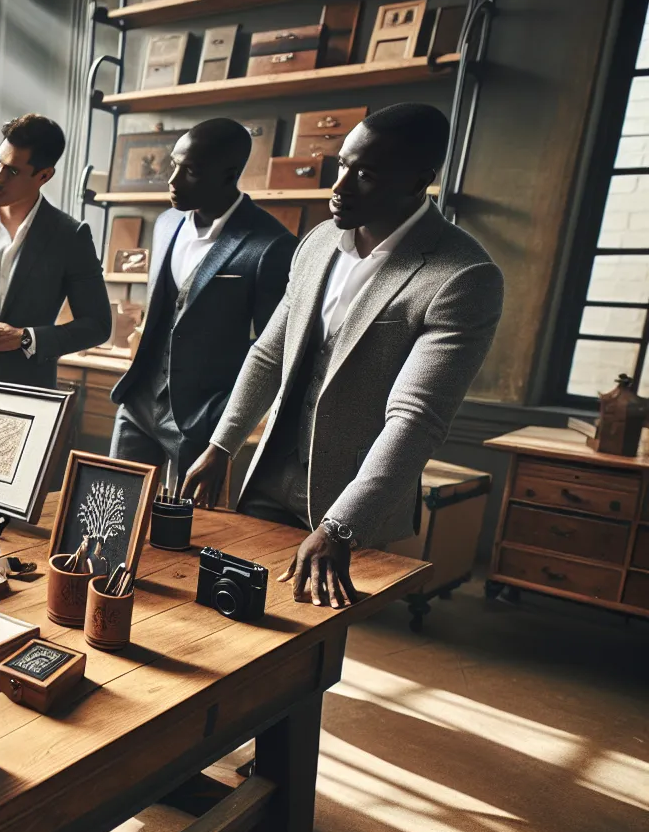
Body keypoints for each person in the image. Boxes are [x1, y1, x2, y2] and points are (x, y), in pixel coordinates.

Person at [182, 102, 503, 608]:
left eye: (366, 175)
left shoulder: (463, 277)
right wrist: (222, 446)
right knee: (235, 611)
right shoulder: (316, 243)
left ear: (420, 179)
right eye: (342, 166)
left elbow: (414, 420)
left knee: (310, 638)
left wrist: (341, 525)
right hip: (272, 475)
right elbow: (268, 354)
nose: (341, 186)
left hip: (349, 497)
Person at [110, 119, 295, 478]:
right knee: (112, 511)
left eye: (190, 171)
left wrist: (223, 416)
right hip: (137, 403)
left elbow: (275, 348)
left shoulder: (271, 244)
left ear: (229, 175)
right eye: (174, 165)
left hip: (201, 419)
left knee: (181, 531)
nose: (173, 180)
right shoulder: (166, 223)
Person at [0, 114, 110, 424]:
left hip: (30, 403)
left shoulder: (70, 236)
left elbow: (98, 324)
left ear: (44, 176)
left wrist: (26, 338)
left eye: (12, 171)